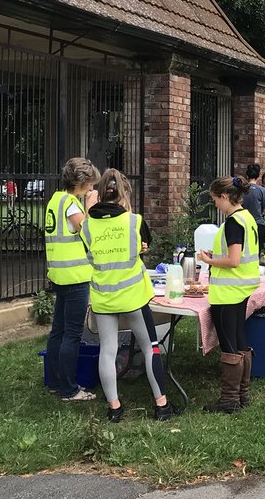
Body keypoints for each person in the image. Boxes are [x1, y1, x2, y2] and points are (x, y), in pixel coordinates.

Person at [80, 169, 175, 422]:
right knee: (150, 348)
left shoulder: (87, 226)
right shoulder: (134, 221)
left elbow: (91, 254)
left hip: (103, 298)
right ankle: (161, 404)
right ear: (124, 195)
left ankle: (114, 407)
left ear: (100, 194)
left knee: (107, 352)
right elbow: (144, 245)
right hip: (133, 296)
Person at [197, 176, 261, 413]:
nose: (215, 205)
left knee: (229, 344)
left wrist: (209, 260)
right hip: (241, 287)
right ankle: (242, 395)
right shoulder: (248, 218)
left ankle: (229, 400)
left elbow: (234, 260)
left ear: (225, 197)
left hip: (227, 291)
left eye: (215, 200)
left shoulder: (234, 222)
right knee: (239, 339)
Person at [43, 157, 100, 401]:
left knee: (58, 331)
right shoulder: (72, 205)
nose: (90, 189)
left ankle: (55, 381)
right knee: (72, 334)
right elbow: (87, 230)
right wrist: (91, 206)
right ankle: (69, 389)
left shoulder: (55, 200)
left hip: (59, 273)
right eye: (89, 185)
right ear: (82, 182)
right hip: (75, 276)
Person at [242, 163, 265, 257]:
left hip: (243, 223)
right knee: (257, 250)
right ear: (258, 176)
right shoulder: (262, 191)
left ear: (247, 176)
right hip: (258, 225)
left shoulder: (241, 190)